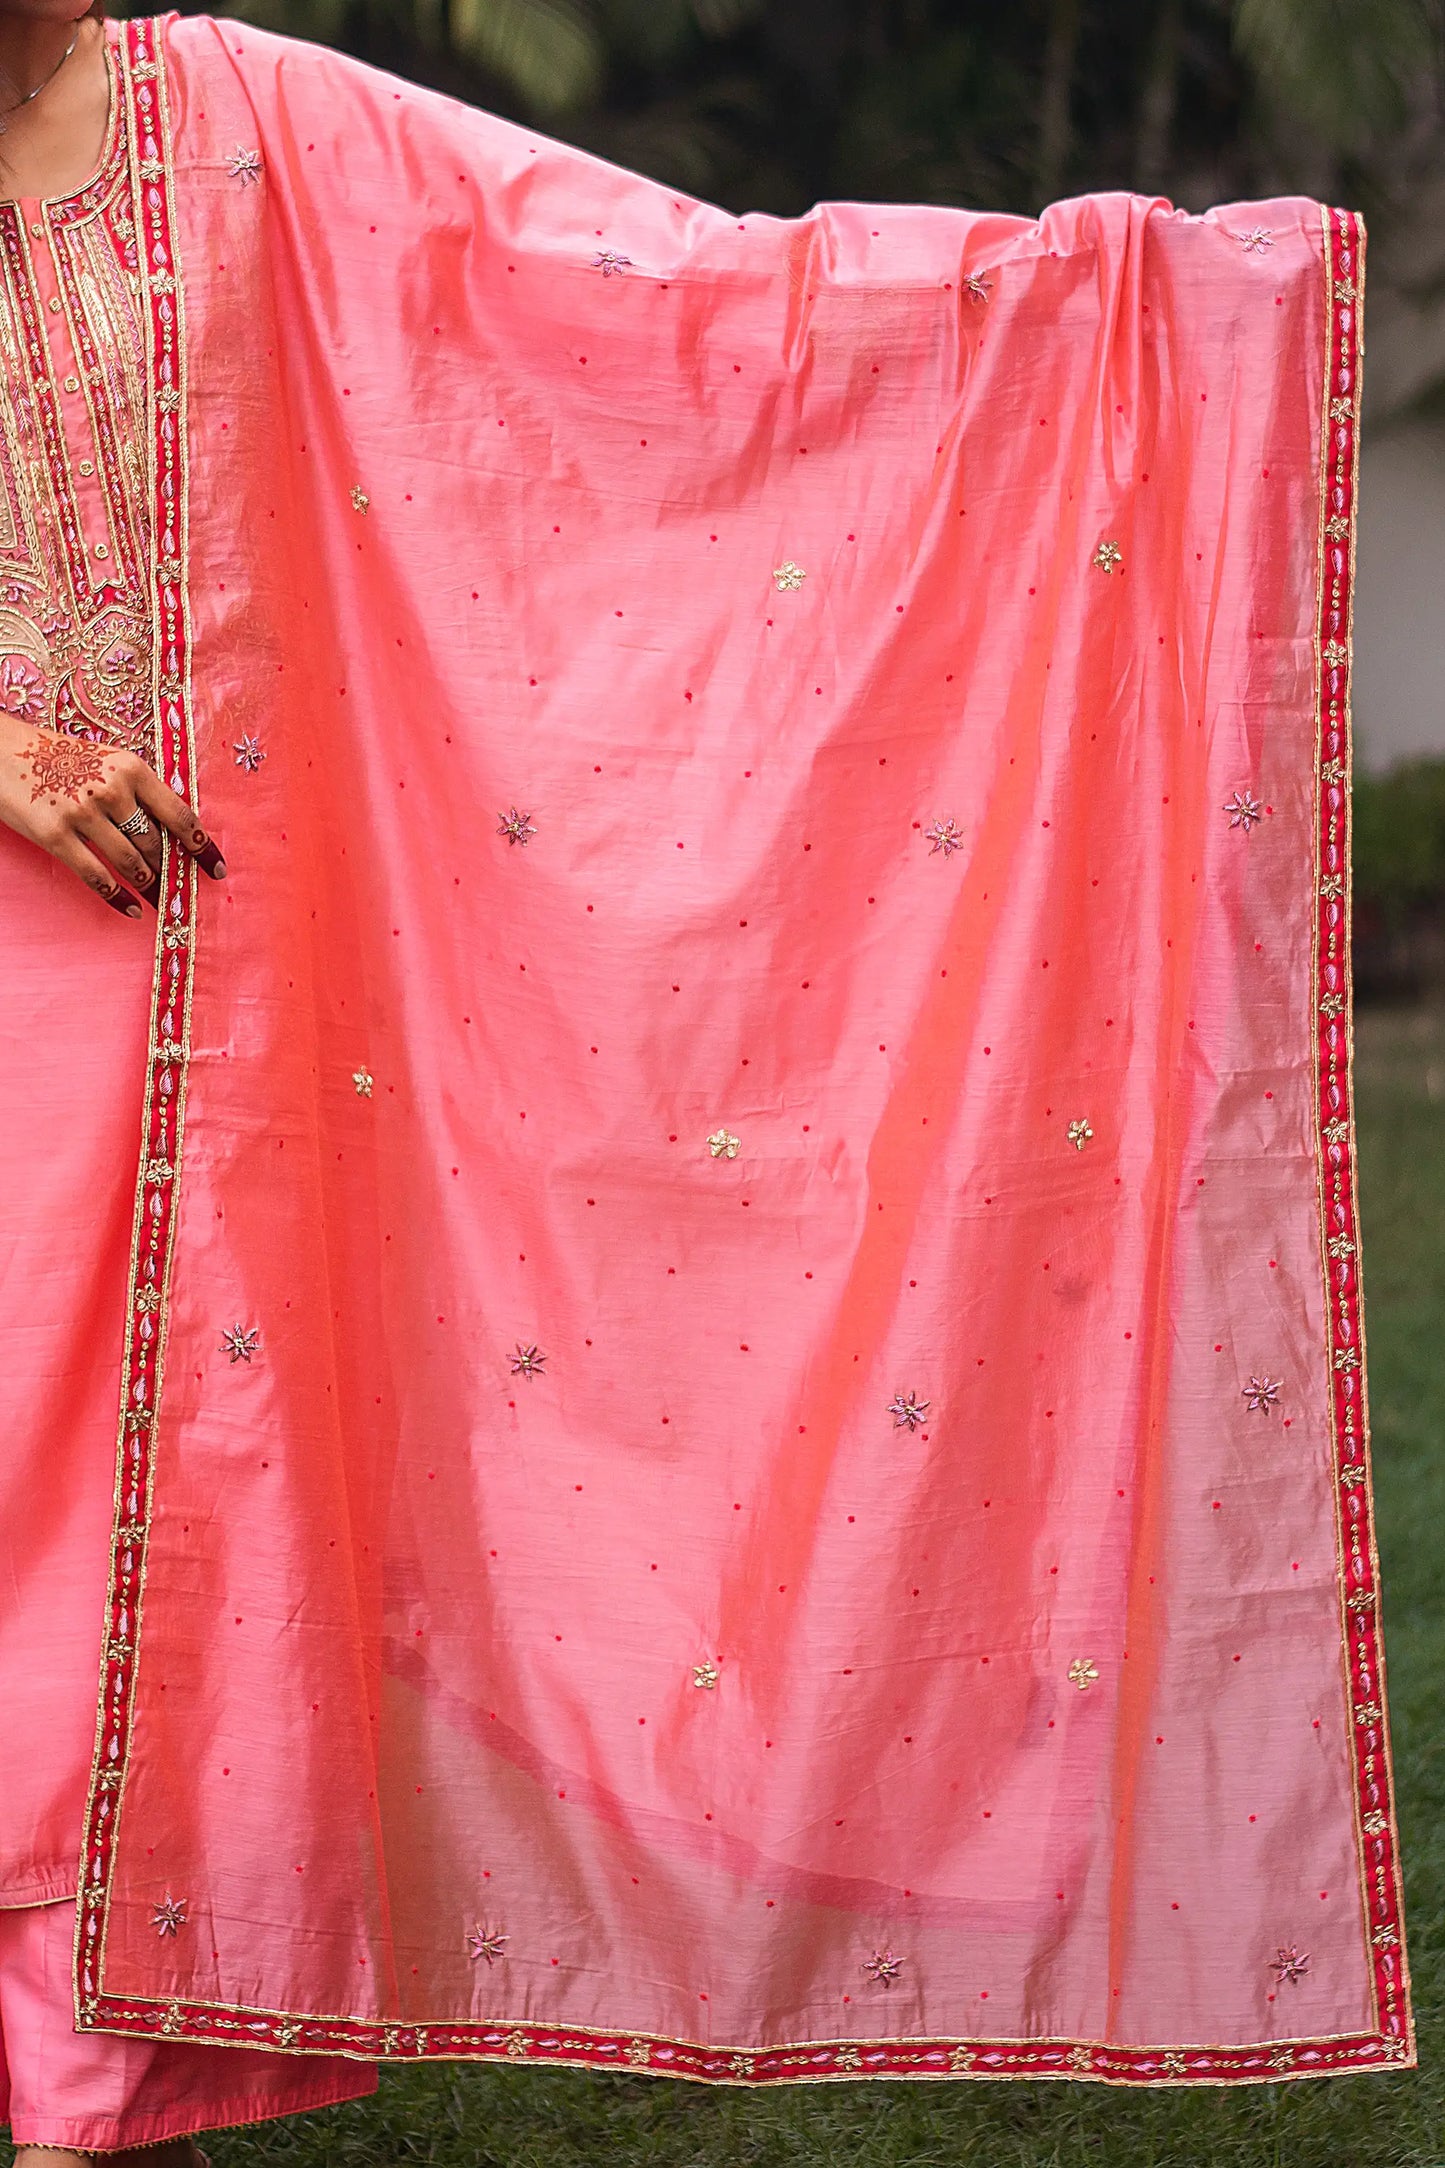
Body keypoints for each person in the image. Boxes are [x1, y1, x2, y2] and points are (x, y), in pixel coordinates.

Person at [0, 0, 380, 2153]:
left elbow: (604, 287)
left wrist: (1093, 303)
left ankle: (82, 2074)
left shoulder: (226, 104)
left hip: (178, 945)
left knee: (119, 1530)